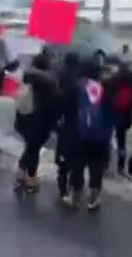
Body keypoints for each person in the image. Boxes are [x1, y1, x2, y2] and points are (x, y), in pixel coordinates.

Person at [64, 58, 115, 211]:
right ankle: (93, 198)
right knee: (97, 165)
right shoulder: (105, 89)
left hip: (78, 134)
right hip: (100, 136)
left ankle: (74, 197)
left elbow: (66, 110)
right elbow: (111, 112)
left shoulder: (75, 88)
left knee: (77, 164)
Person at [14, 52, 60, 193]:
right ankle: (31, 181)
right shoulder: (50, 82)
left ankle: (21, 174)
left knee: (30, 147)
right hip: (39, 121)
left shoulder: (27, 76)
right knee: (33, 149)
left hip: (23, 118)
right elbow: (53, 105)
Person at [55, 52, 82, 200]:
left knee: (63, 161)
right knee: (76, 161)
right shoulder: (80, 81)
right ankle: (73, 189)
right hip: (78, 125)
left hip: (65, 124)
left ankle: (62, 190)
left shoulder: (61, 74)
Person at [110, 63, 132, 176]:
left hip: (113, 115)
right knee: (122, 143)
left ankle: (106, 164)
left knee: (108, 140)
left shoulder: (114, 82)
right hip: (124, 117)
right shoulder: (131, 85)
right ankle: (121, 166)